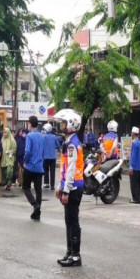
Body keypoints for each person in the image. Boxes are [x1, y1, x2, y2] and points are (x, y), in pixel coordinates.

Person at [54, 109, 84, 267]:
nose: (61, 126)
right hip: (69, 184)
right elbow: (64, 168)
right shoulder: (68, 142)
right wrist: (60, 186)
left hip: (74, 186)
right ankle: (69, 251)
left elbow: (71, 169)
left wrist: (66, 190)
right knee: (68, 220)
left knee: (73, 221)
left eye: (64, 123)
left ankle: (75, 255)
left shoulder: (72, 144)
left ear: (71, 125)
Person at [23, 116, 45, 220]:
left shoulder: (29, 136)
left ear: (30, 124)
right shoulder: (42, 136)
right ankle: (37, 212)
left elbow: (27, 151)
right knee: (38, 190)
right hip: (39, 167)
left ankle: (34, 204)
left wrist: (25, 161)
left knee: (25, 187)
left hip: (30, 166)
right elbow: (43, 152)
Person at [42, 123, 60, 190]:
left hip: (45, 157)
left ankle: (46, 184)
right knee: (52, 172)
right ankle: (52, 185)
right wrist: (59, 151)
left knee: (45, 170)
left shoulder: (43, 137)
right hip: (53, 157)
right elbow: (58, 145)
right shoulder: (54, 137)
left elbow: (41, 146)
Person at [129, 126, 140, 204]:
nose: (131, 135)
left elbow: (133, 155)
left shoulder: (134, 143)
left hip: (134, 167)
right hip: (139, 166)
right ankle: (138, 198)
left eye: (131, 133)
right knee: (138, 183)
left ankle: (135, 198)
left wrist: (131, 166)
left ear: (133, 134)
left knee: (134, 183)